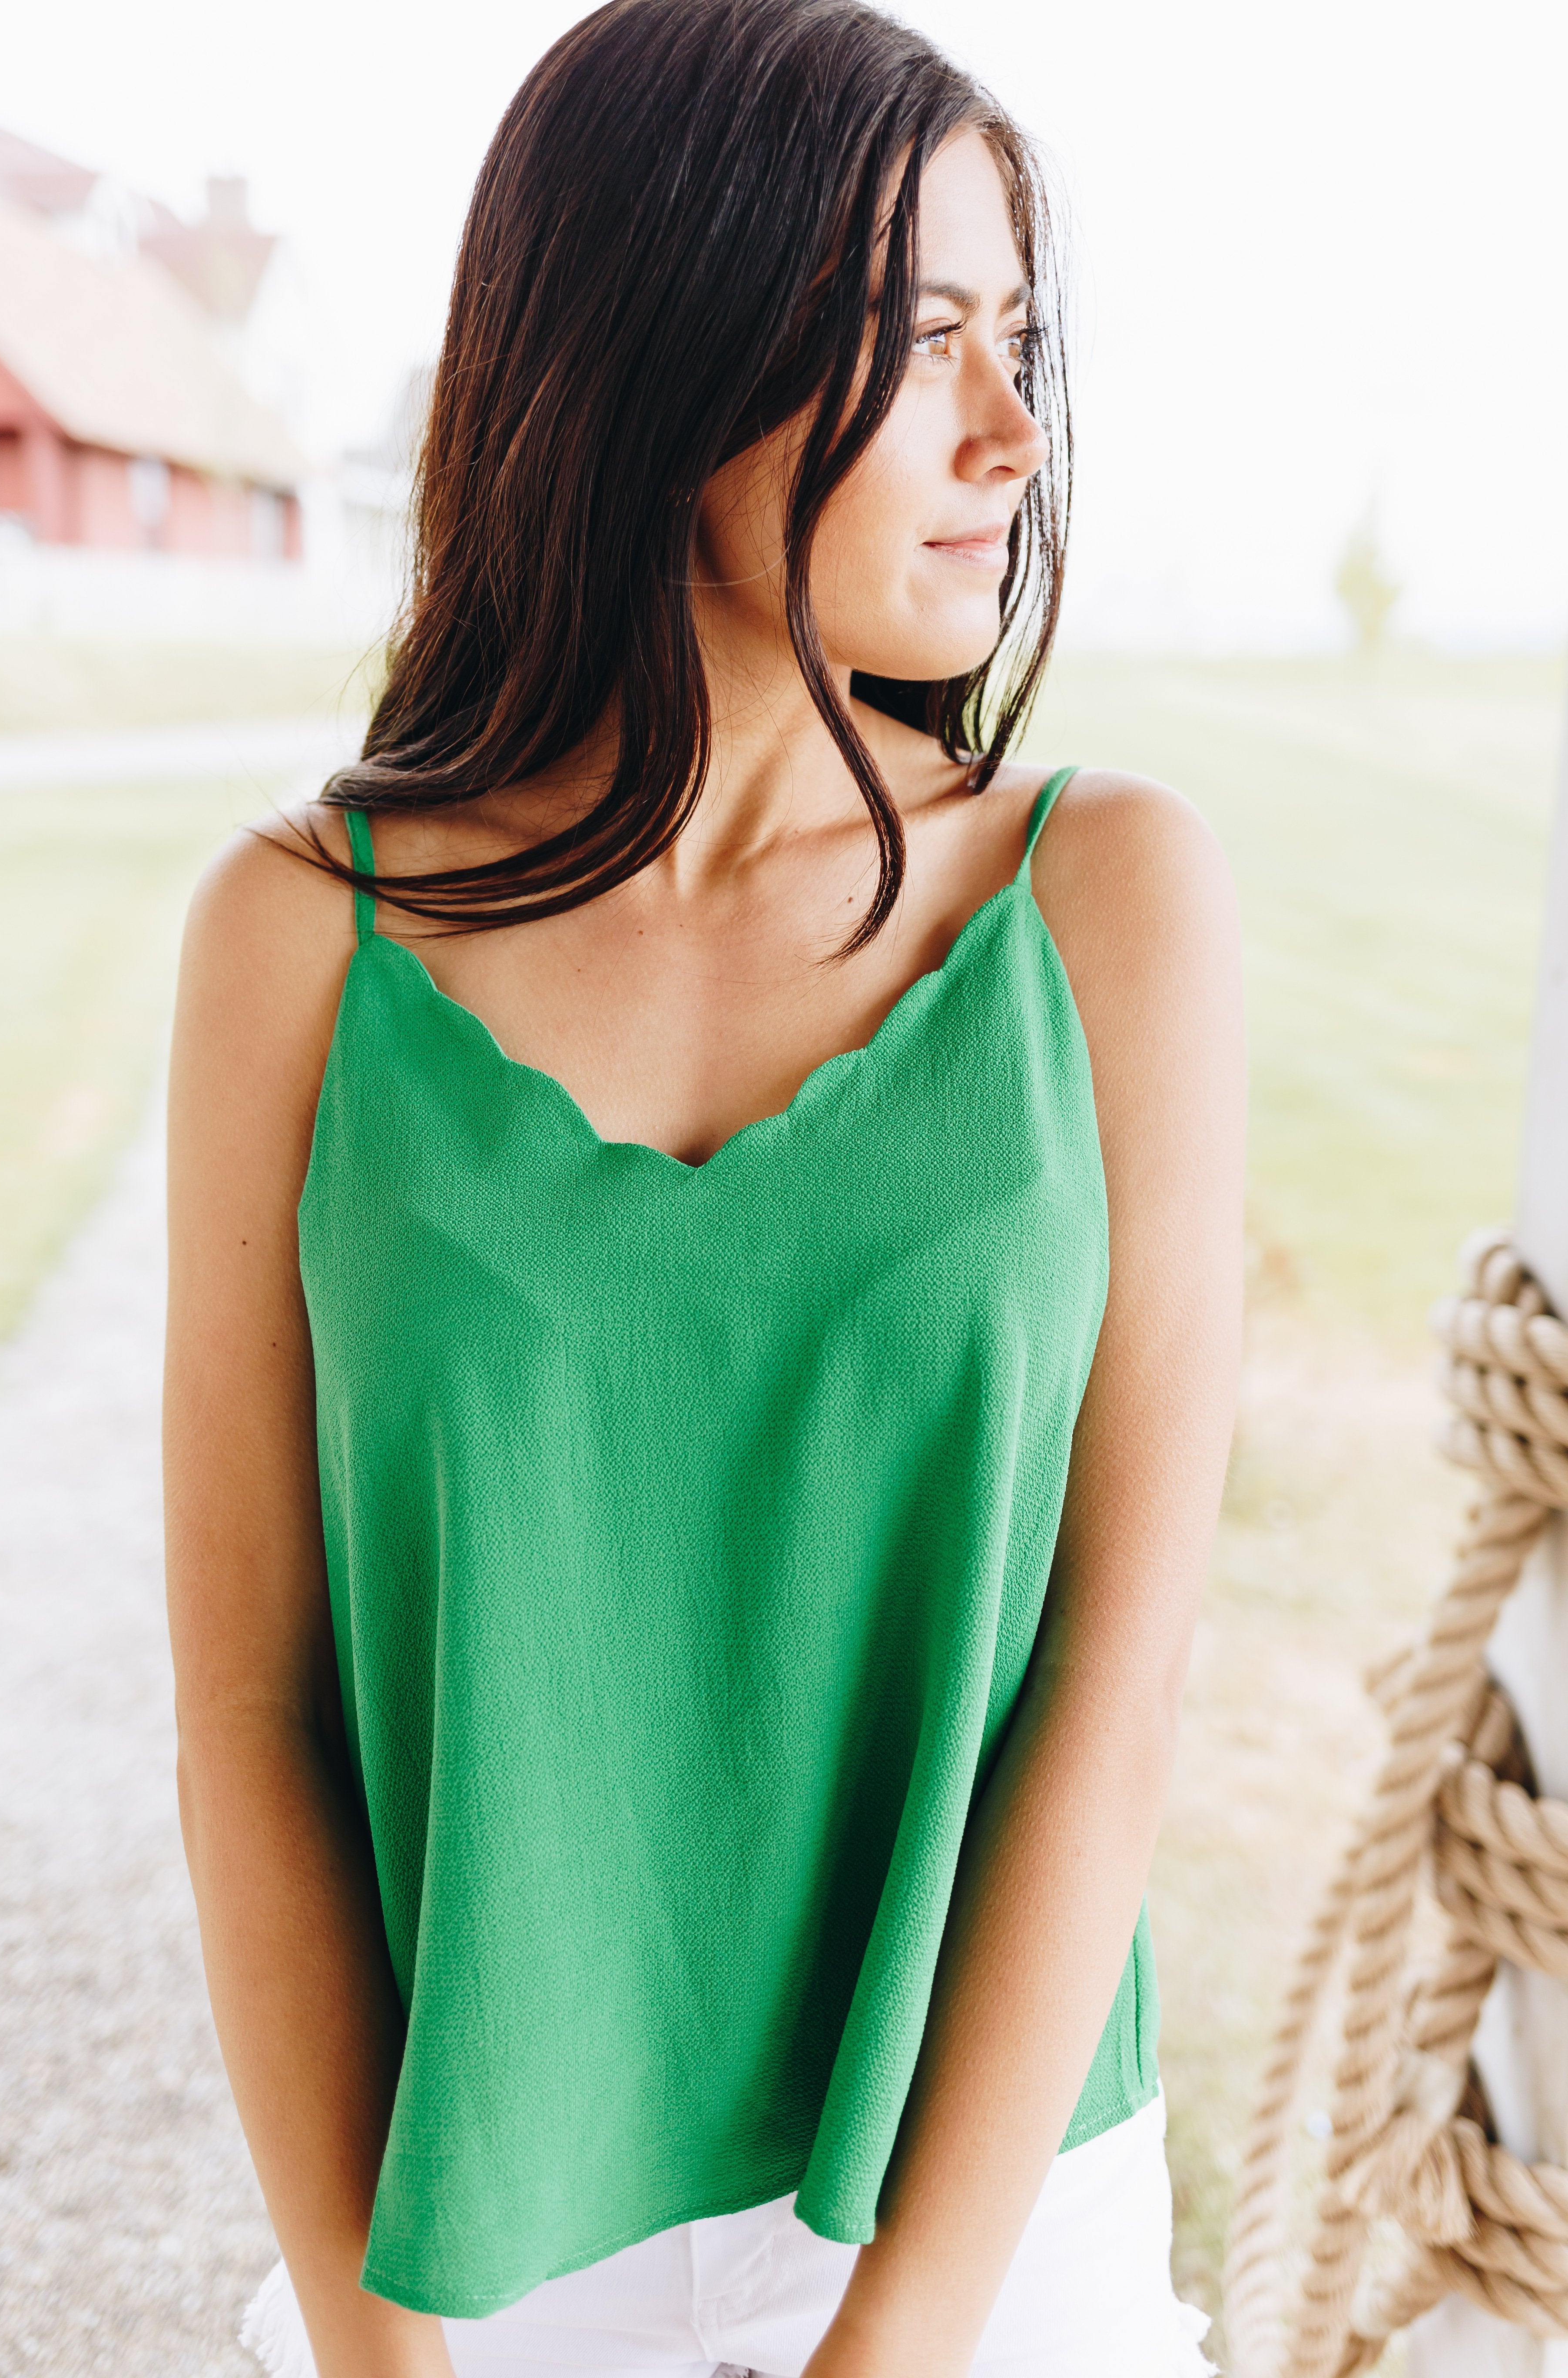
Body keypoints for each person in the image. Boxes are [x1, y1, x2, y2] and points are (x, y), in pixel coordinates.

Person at [163, 2, 1244, 2374]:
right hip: (473, 2248)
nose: (1009, 433)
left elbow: (1115, 1683)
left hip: (998, 2220)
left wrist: (901, 2343)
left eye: (1021, 345)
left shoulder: (1112, 907)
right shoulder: (296, 945)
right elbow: (253, 1710)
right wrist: (376, 2354)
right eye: (918, 341)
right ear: (669, 357)